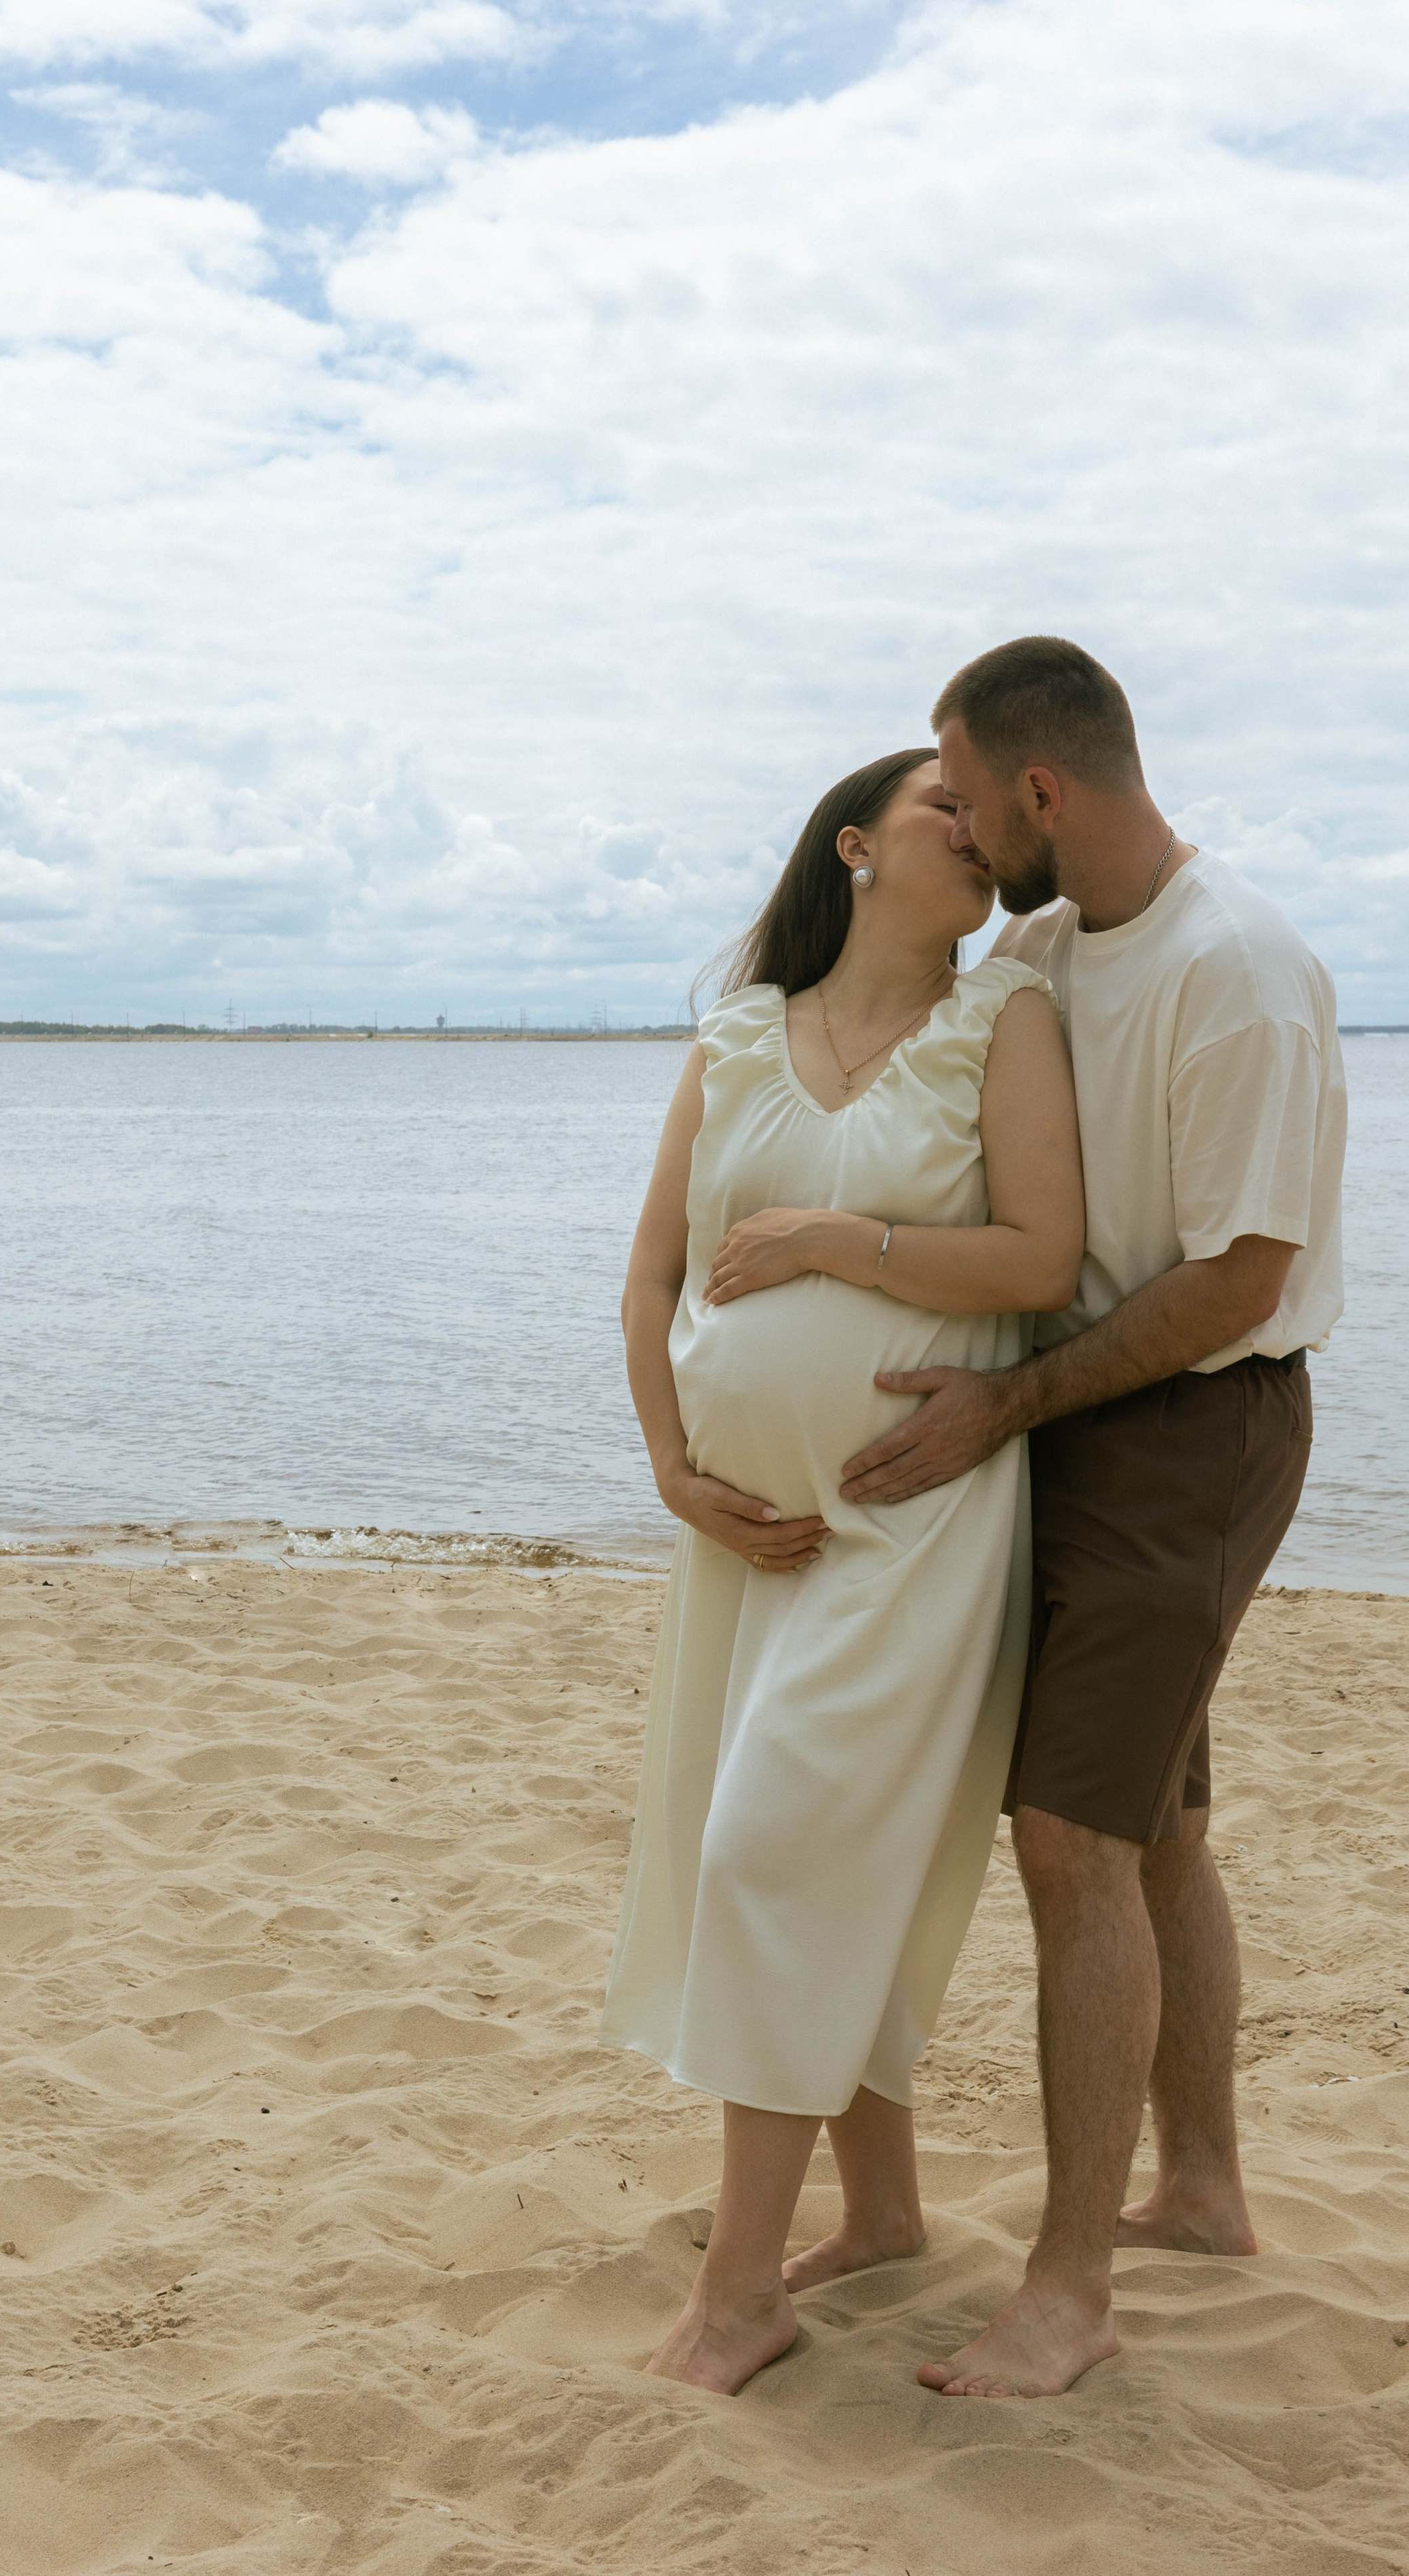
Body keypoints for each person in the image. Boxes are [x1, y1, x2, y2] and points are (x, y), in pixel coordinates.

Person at [836, 637, 1345, 2400]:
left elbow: (1239, 1281)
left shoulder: (1245, 972)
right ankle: (1202, 2193)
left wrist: (1009, 1404)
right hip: (1083, 1420)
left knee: (1069, 1844)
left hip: (1195, 1430)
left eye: (970, 800)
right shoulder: (1047, 952)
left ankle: (1069, 2287)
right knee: (1156, 1832)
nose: (967, 839)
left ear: (1045, 789)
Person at [598, 746, 1086, 2395]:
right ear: (854, 846)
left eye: (993, 815)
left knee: (774, 1849)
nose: (987, 832)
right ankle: (879, 2215)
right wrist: (676, 1476)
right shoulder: (737, 1035)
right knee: (824, 1864)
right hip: (750, 1540)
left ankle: (738, 2298)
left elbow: (1038, 1254)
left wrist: (826, 1242)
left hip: (915, 1523)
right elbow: (650, 1280)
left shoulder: (1000, 1023)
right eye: (948, 809)